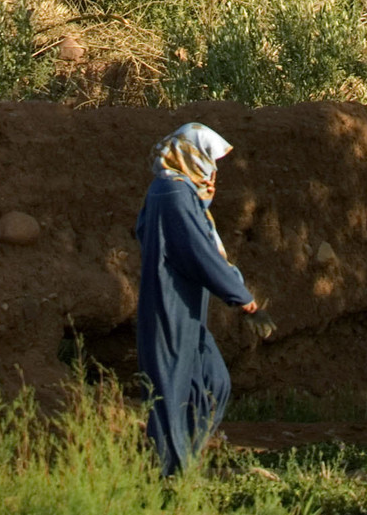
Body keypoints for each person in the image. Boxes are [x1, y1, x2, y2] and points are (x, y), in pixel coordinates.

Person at [134, 120, 257, 474]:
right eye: (209, 160)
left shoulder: (175, 191)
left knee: (213, 382)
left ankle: (183, 462)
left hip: (184, 309)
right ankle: (170, 475)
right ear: (191, 156)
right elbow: (198, 252)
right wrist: (239, 295)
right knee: (172, 393)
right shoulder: (172, 193)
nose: (213, 171)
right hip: (169, 307)